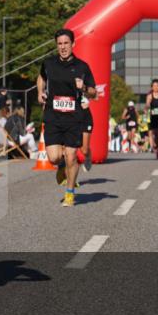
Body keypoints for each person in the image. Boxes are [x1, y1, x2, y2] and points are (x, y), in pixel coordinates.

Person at [36, 28, 96, 207]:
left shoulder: (82, 66)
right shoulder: (49, 63)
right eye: (59, 44)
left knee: (71, 156)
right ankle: (61, 166)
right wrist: (40, 92)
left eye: (66, 43)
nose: (63, 47)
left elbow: (93, 92)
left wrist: (84, 88)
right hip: (53, 117)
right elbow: (41, 77)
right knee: (54, 157)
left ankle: (69, 193)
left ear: (73, 44)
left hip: (73, 118)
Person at [77, 95, 94, 172]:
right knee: (75, 148)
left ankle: (88, 157)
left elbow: (95, 95)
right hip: (73, 118)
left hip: (85, 119)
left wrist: (84, 87)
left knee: (84, 150)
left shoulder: (84, 86)